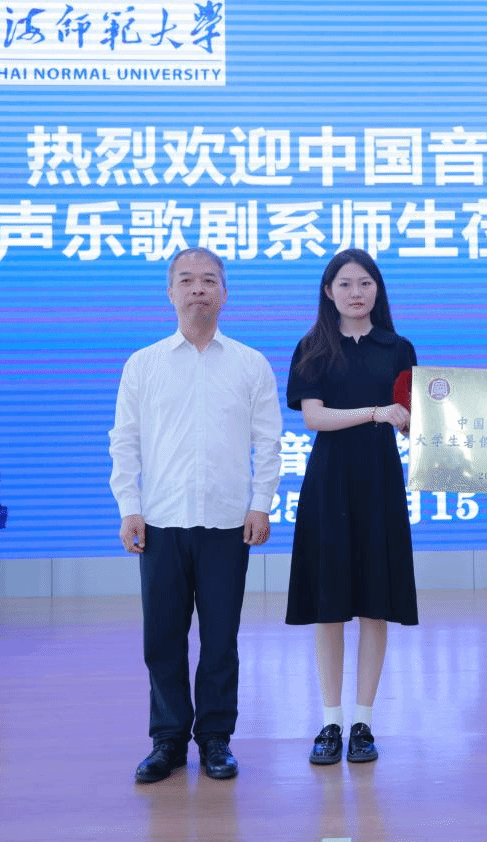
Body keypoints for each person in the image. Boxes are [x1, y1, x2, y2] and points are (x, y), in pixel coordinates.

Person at [108, 247, 282, 784]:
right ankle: (167, 740)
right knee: (162, 638)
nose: (198, 289)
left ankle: (215, 739)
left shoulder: (250, 364)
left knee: (220, 639)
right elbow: (125, 441)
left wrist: (261, 503)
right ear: (171, 293)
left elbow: (269, 441)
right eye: (187, 280)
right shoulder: (144, 364)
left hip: (228, 523)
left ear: (225, 293)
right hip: (161, 521)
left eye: (209, 280)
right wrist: (130, 508)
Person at [285, 248, 418, 765]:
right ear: (328, 291)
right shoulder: (314, 347)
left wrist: (414, 422)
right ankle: (330, 721)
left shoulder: (398, 348)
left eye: (365, 283)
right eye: (345, 283)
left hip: (380, 480)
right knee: (330, 605)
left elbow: (413, 418)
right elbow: (314, 419)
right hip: (330, 481)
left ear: (377, 290)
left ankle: (363, 721)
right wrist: (379, 412)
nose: (356, 292)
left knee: (374, 603)